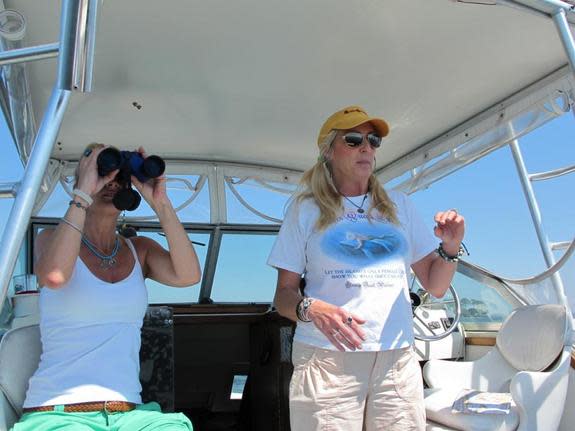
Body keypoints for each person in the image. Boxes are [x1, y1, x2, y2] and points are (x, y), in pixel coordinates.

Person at [267, 106, 465, 431]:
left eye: (373, 140)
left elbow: (435, 284)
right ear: (329, 151)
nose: (366, 147)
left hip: (397, 359)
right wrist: (310, 307)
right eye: (354, 139)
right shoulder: (305, 210)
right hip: (327, 358)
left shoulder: (400, 206)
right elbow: (283, 295)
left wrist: (451, 246)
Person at [12, 144, 201, 431]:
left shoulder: (140, 250)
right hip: (59, 412)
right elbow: (54, 276)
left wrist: (160, 202)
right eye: (102, 174)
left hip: (128, 413)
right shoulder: (50, 239)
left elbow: (188, 276)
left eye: (119, 178)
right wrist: (83, 192)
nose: (111, 182)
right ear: (82, 181)